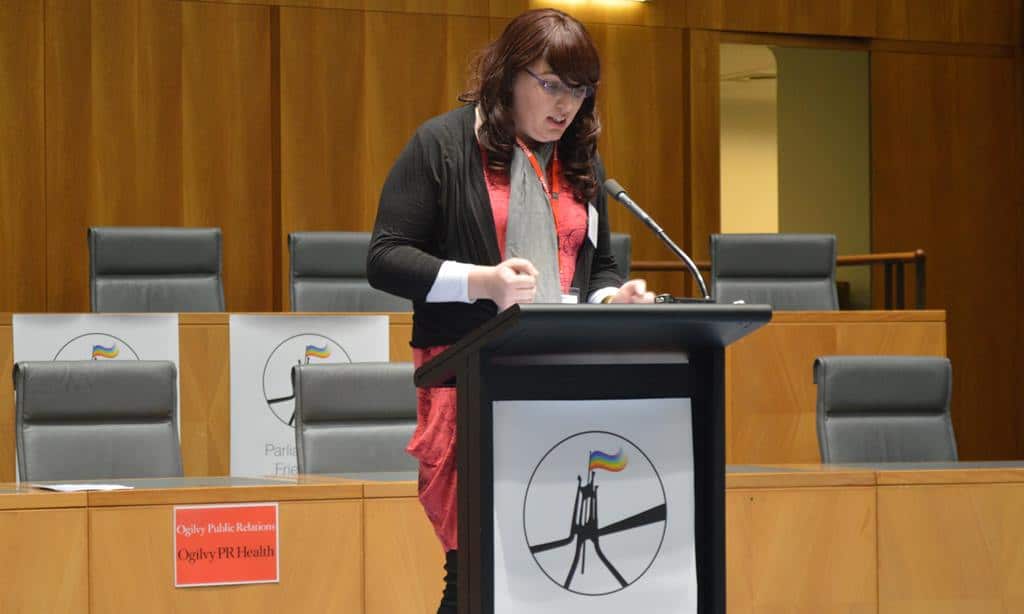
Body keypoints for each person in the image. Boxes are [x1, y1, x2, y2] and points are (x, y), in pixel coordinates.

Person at [367, 8, 654, 612]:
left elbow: (594, 266)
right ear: (508, 75)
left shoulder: (580, 163)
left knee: (548, 568)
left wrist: (612, 298)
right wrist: (482, 282)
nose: (566, 104)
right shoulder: (444, 146)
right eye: (551, 84)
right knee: (472, 573)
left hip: (557, 380)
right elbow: (386, 259)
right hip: (467, 382)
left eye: (579, 90)